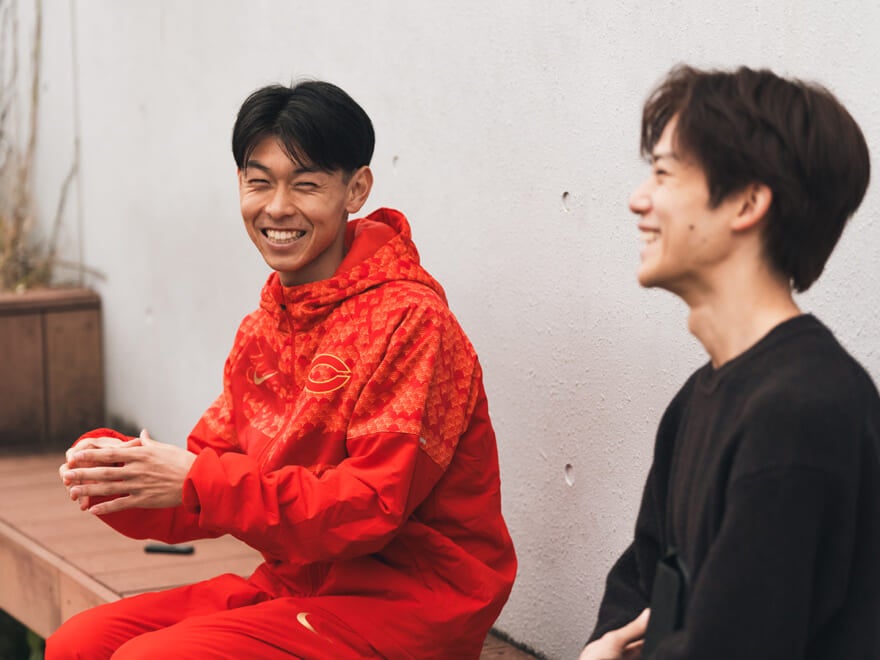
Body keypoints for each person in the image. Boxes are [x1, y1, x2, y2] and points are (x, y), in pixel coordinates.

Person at [48, 80, 516, 659]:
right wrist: (117, 471)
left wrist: (196, 480)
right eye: (260, 181)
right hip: (299, 584)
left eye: (306, 184)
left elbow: (371, 507)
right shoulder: (263, 328)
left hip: (411, 605)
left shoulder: (413, 321)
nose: (277, 207)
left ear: (356, 189)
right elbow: (209, 480)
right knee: (79, 645)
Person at [582, 65, 879, 659]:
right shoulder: (701, 396)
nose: (638, 200)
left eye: (664, 173)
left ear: (747, 202)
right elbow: (643, 583)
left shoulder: (801, 414)